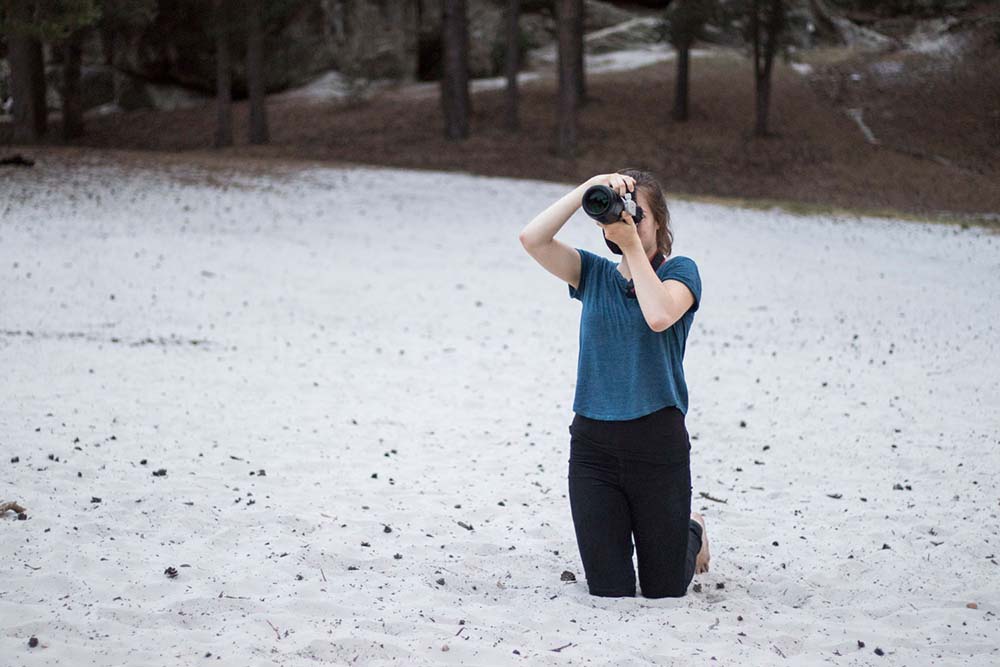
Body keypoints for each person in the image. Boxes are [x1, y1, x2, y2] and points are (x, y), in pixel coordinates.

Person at [518, 169, 709, 598]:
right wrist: (586, 190)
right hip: (594, 451)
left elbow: (658, 314)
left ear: (658, 221)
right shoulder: (593, 274)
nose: (626, 223)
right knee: (610, 591)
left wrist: (632, 249)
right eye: (617, 215)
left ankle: (692, 531)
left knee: (663, 591)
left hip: (658, 450)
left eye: (637, 216)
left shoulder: (681, 271)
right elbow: (532, 239)